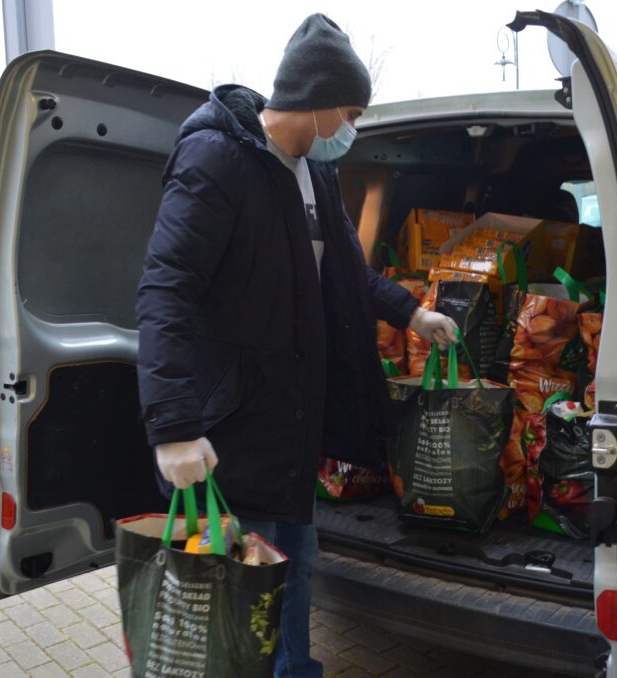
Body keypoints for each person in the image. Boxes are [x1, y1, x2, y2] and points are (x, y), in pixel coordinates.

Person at [135, 13, 457, 677]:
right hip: (231, 427)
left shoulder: (315, 171)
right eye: (353, 114)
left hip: (291, 423)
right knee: (234, 605)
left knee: (296, 575)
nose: (353, 130)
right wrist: (173, 427)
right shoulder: (216, 159)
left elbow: (344, 268)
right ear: (318, 103)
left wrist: (411, 314)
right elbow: (165, 289)